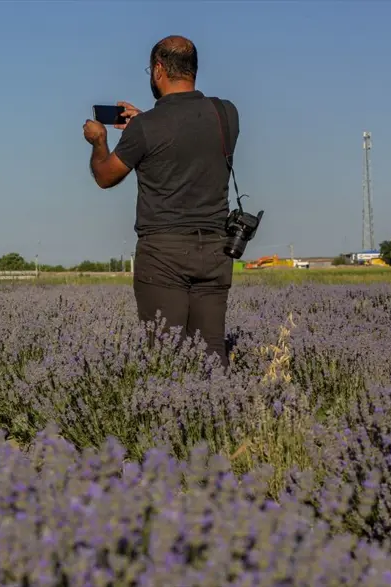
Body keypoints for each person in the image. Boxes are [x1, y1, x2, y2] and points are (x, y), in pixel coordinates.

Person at [82, 35, 239, 367]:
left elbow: (105, 176)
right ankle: (222, 415)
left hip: (163, 253)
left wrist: (99, 141)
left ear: (157, 70)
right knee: (212, 351)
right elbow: (185, 134)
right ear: (193, 69)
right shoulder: (226, 114)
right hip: (216, 250)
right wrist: (143, 122)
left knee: (166, 357)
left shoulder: (144, 129)